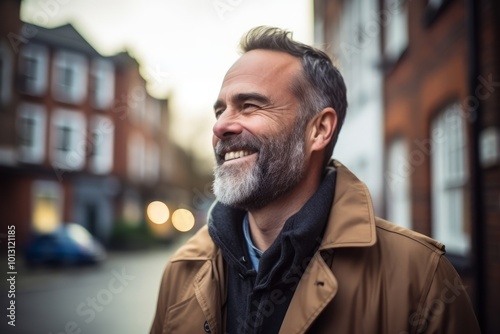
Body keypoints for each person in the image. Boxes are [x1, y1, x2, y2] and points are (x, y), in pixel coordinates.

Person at [150, 26, 480, 334]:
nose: (220, 126)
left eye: (249, 105)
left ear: (319, 130)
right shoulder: (182, 270)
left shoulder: (421, 279)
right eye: (220, 111)